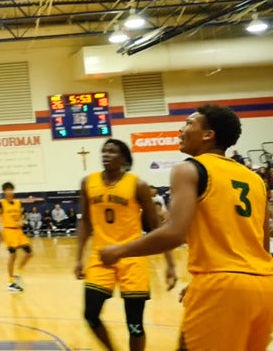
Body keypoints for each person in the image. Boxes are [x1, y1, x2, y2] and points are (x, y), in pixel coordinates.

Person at [100, 104, 273, 351]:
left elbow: (174, 233)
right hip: (265, 287)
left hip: (220, 288)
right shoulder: (255, 179)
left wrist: (119, 251)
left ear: (207, 134)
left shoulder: (189, 168)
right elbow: (261, 246)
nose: (181, 129)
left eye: (189, 123)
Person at [75, 139, 177, 351]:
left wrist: (171, 263)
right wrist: (78, 258)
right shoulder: (88, 182)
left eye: (112, 151)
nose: (106, 154)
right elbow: (85, 221)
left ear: (124, 158)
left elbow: (155, 227)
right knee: (90, 315)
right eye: (104, 151)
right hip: (100, 256)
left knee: (135, 325)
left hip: (132, 257)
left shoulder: (137, 185)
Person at [0, 182, 32, 291]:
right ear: (4, 192)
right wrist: (0, 228)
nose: (9, 191)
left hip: (18, 232)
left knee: (29, 253)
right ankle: (10, 282)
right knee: (13, 255)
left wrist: (22, 221)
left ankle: (19, 271)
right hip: (8, 231)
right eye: (7, 190)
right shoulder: (1, 203)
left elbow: (22, 216)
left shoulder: (18, 203)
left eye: (11, 189)